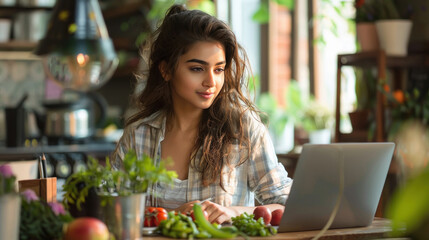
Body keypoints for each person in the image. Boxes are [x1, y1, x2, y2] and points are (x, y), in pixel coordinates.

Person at [113, 4, 292, 224]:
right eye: (197, 69)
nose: (211, 82)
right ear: (166, 70)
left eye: (218, 69)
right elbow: (113, 211)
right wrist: (172, 216)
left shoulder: (244, 130)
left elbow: (287, 204)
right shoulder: (138, 136)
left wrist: (234, 212)